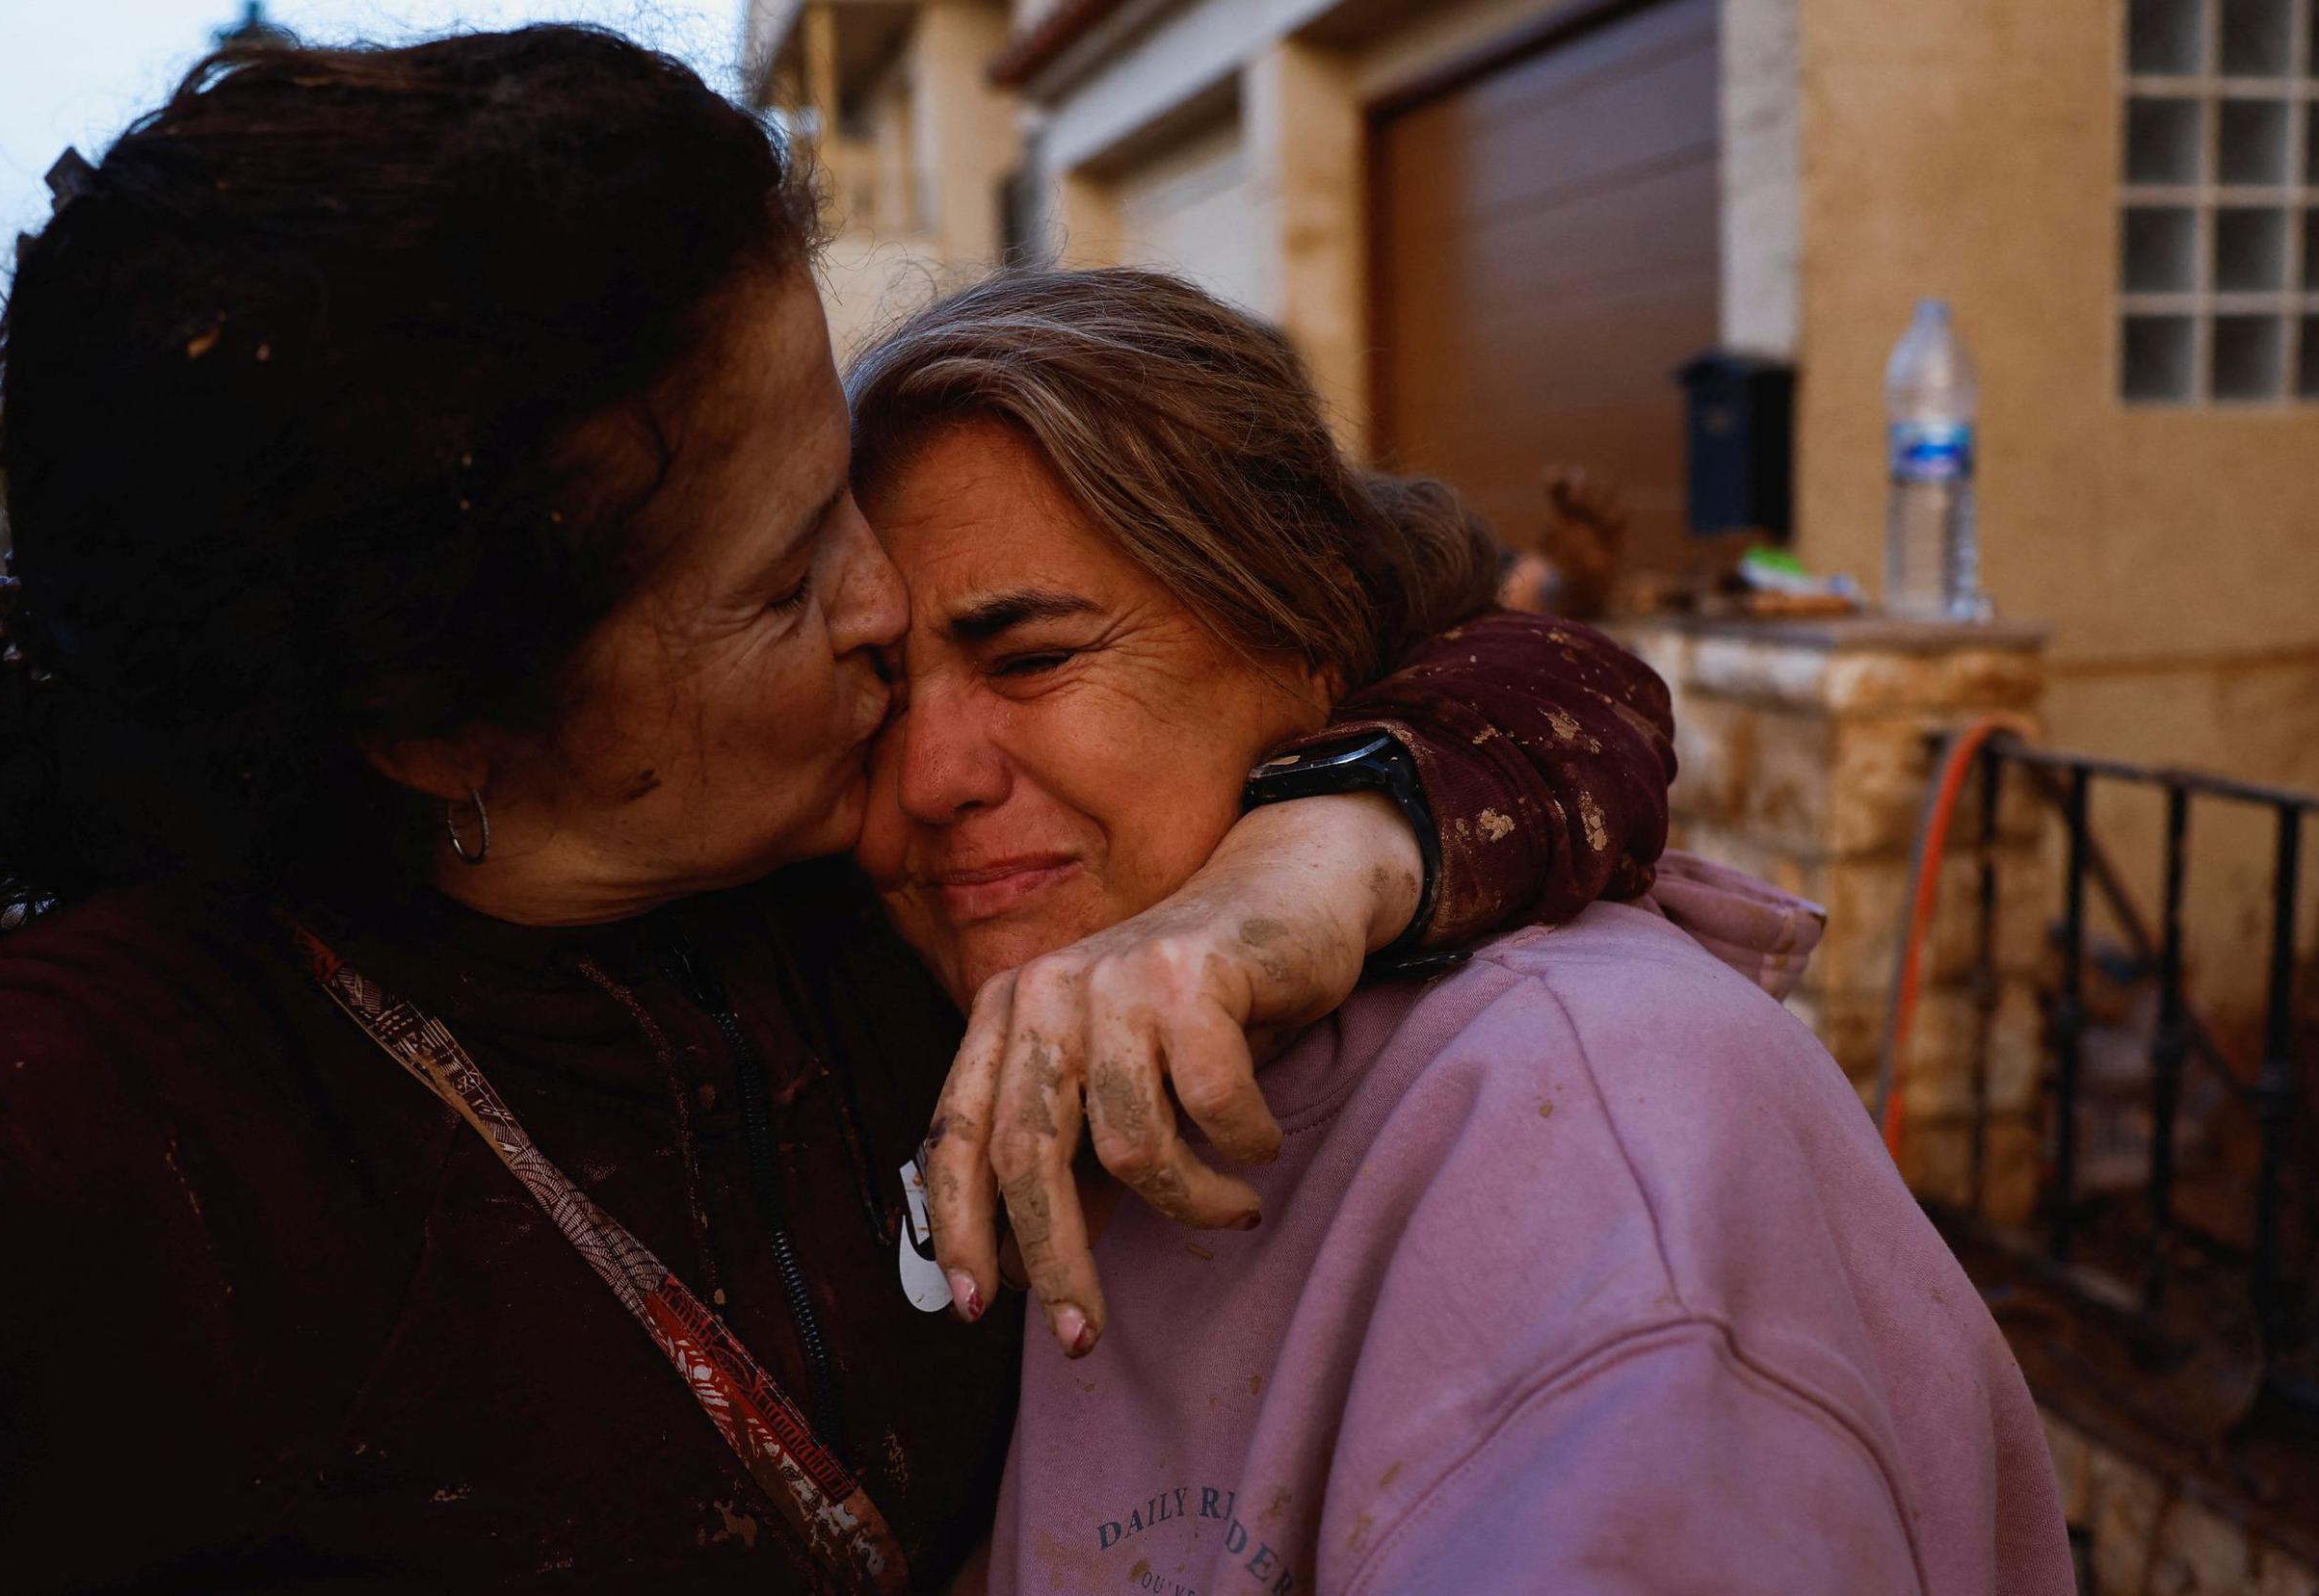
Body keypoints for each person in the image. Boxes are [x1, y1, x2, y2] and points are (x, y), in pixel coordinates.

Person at [0, 34, 1674, 1592]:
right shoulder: (91, 1135)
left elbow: (1527, 661)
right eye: (786, 570)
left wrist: (1313, 861)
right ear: (441, 725)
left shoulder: (839, 870)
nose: (882, 602)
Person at [852, 269, 2072, 1595]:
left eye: (1028, 657)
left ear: (1305, 629)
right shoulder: (934, 1025)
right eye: (869, 692)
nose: (927, 776)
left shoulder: (1597, 1140)